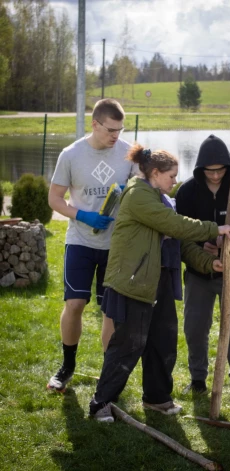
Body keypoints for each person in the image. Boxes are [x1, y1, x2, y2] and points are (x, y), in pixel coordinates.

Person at [88, 144, 230, 422]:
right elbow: (176, 225)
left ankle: (156, 398)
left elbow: (178, 241)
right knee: (128, 344)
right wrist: (214, 228)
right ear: (155, 173)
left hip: (160, 282)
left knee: (162, 341)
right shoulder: (138, 195)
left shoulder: (160, 198)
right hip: (134, 283)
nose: (175, 181)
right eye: (171, 175)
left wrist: (209, 263)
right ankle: (101, 402)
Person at [47, 98, 137, 392]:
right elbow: (55, 199)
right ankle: (67, 366)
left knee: (110, 310)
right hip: (81, 241)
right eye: (111, 130)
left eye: (120, 130)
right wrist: (82, 215)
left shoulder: (129, 153)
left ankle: (109, 371)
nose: (116, 136)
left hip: (116, 245)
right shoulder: (71, 155)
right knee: (75, 304)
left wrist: (132, 191)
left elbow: (145, 191)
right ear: (94, 124)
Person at [176, 134, 230, 413]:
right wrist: (205, 247)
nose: (215, 176)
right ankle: (198, 379)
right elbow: (183, 232)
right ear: (200, 169)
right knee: (194, 328)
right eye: (209, 171)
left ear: (228, 167)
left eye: (220, 170)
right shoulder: (187, 192)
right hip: (198, 275)